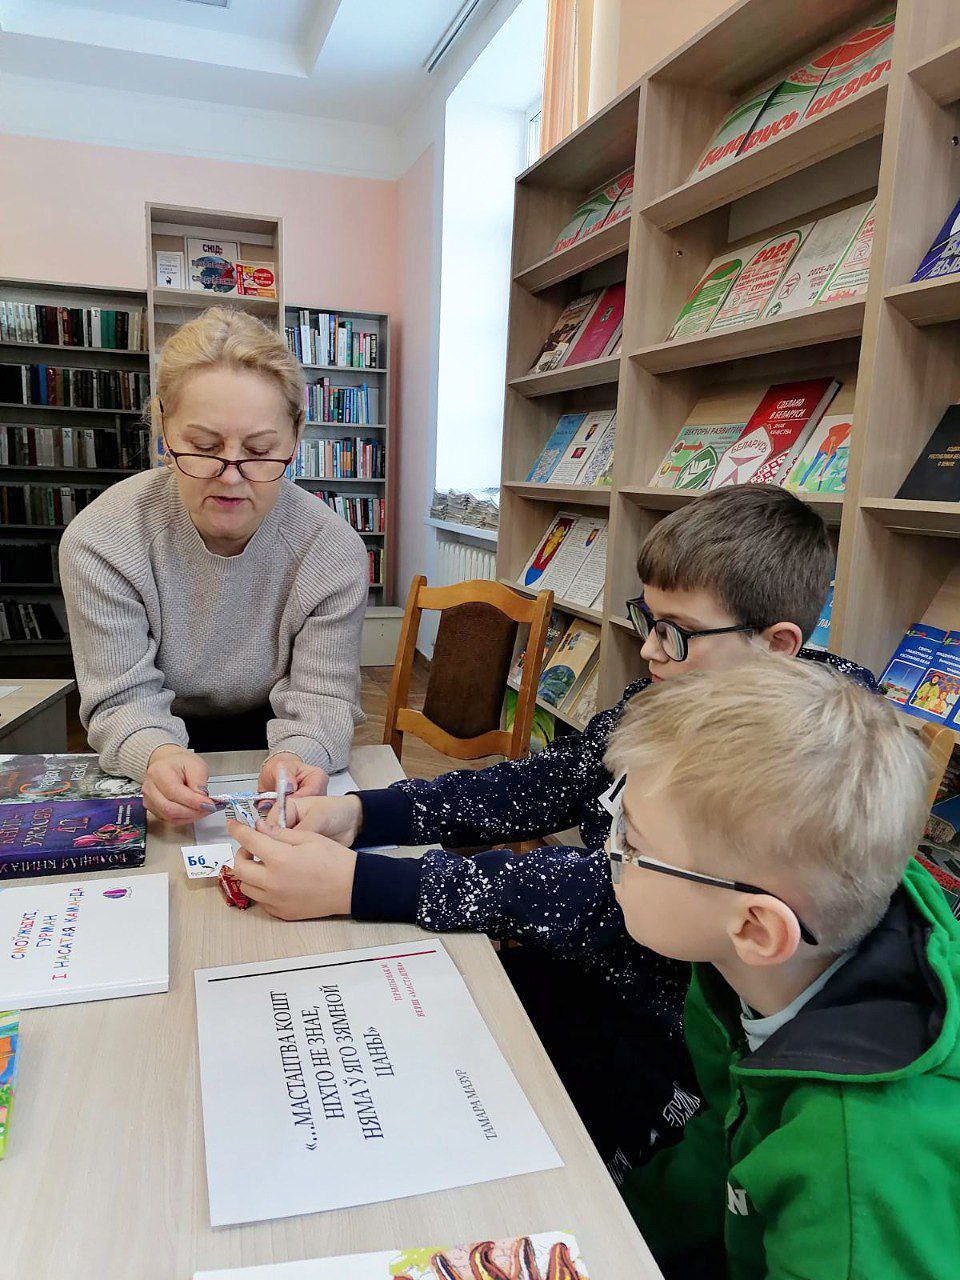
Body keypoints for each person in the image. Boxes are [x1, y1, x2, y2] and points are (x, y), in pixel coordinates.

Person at [226, 486, 877, 1175]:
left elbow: (608, 891)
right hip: (590, 978)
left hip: (668, 1045)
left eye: (675, 631)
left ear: (777, 647)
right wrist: (364, 814)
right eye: (647, 620)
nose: (650, 650)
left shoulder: (804, 765)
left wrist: (364, 882)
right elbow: (543, 783)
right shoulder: (677, 692)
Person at [606, 659, 960, 1280]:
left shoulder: (852, 1157)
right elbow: (724, 1145)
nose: (609, 851)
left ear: (755, 929)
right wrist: (604, 1228)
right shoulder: (748, 979)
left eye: (633, 845)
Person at [60, 306, 369, 824]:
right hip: (155, 741)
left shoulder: (331, 548)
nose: (231, 476)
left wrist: (304, 752)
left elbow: (322, 696)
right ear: (163, 428)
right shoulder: (102, 540)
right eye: (203, 447)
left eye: (260, 450)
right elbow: (121, 698)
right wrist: (154, 753)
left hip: (277, 739)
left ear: (295, 436)